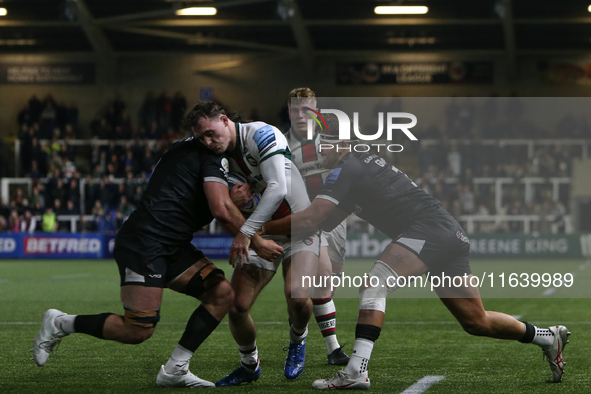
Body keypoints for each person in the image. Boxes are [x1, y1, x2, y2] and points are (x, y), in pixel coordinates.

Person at [262, 131, 570, 389]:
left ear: (342, 145)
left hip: (429, 230)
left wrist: (257, 227)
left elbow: (311, 219)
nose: (318, 151)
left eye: (324, 144)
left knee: (373, 286)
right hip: (447, 232)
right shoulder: (356, 166)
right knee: (477, 321)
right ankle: (547, 337)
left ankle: (356, 371)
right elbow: (322, 223)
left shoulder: (347, 167)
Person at [31, 136, 282, 388]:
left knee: (222, 294)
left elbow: (194, 205)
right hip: (145, 242)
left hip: (172, 244)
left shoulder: (196, 152)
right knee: (138, 329)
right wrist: (242, 218)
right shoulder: (206, 154)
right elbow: (219, 210)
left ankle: (175, 369)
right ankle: (60, 323)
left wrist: (230, 200)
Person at [185, 101, 322, 384]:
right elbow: (219, 205)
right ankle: (250, 366)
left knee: (297, 297)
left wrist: (246, 233)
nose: (208, 142)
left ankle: (298, 340)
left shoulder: (261, 133)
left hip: (300, 226)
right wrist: (235, 206)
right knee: (236, 306)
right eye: (201, 138)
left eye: (210, 133)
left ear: (224, 120)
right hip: (262, 231)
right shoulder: (215, 157)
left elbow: (277, 188)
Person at [285, 87, 349, 365]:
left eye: (307, 109)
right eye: (295, 109)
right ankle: (330, 348)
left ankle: (311, 335)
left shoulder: (332, 139)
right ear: (288, 111)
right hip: (304, 221)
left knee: (328, 285)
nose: (301, 115)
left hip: (334, 222)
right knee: (313, 286)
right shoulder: (280, 145)